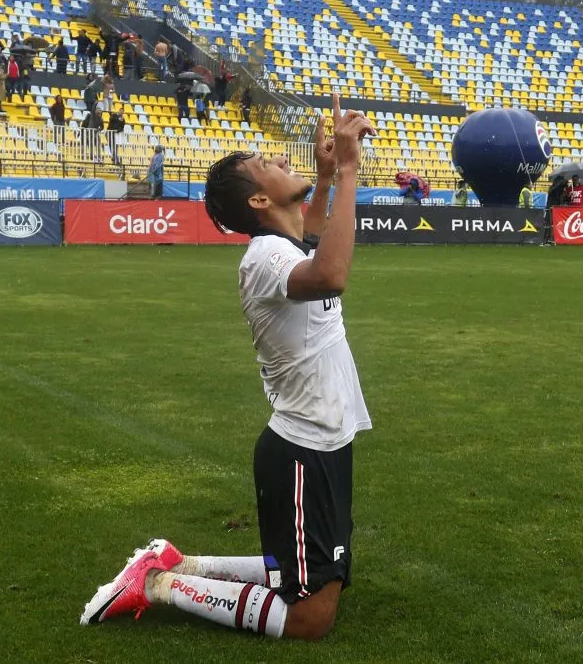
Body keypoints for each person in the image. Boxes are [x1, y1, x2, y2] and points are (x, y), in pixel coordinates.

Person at [79, 94, 375, 641]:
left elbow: (311, 234)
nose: (281, 159)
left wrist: (328, 174)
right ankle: (159, 585)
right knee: (310, 620)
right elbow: (331, 273)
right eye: (268, 164)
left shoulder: (281, 244)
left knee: (327, 573)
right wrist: (351, 169)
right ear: (261, 198)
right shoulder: (265, 256)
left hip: (322, 440)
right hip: (301, 448)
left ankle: (174, 563)